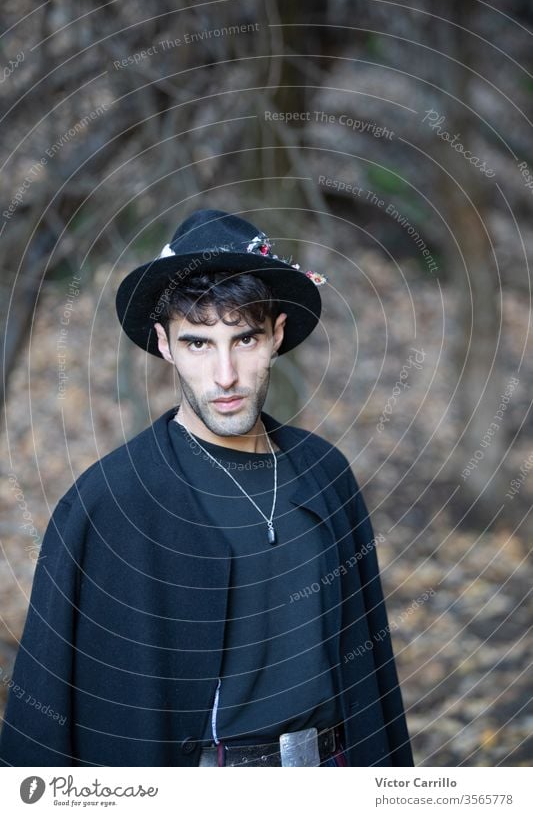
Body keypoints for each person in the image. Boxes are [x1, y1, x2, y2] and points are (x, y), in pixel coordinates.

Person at [0, 209, 413, 767]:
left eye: (244, 339)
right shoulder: (113, 500)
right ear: (165, 345)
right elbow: (48, 707)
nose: (225, 375)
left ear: (277, 337)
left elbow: (371, 680)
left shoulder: (325, 474)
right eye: (198, 344)